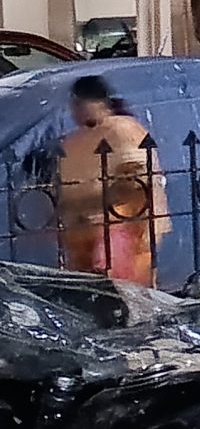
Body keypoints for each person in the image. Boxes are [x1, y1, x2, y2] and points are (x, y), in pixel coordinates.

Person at [57, 75, 162, 284]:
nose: (75, 111)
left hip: (122, 232)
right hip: (84, 235)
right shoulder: (75, 140)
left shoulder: (122, 130)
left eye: (79, 104)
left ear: (99, 103)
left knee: (122, 289)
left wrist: (91, 205)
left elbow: (135, 184)